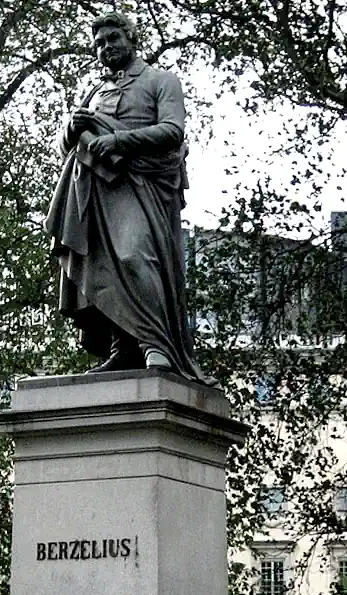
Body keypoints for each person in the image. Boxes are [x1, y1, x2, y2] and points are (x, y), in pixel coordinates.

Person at [46, 12, 211, 383]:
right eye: (99, 44)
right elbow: (68, 148)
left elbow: (172, 131)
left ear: (132, 38)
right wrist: (70, 130)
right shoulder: (94, 92)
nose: (106, 47)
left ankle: (158, 343)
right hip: (94, 191)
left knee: (135, 255)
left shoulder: (160, 80)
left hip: (140, 186)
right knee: (102, 267)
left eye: (113, 38)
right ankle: (123, 348)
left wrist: (117, 140)